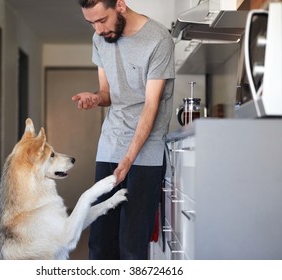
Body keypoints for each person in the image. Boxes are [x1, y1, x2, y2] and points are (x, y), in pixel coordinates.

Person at [72, 0, 175, 260]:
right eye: (91, 23)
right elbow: (108, 93)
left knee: (131, 245)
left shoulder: (158, 39)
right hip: (110, 145)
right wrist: (95, 98)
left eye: (102, 20)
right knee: (100, 243)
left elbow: (150, 107)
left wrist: (128, 159)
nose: (97, 29)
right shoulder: (100, 39)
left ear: (120, 5)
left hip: (146, 152)